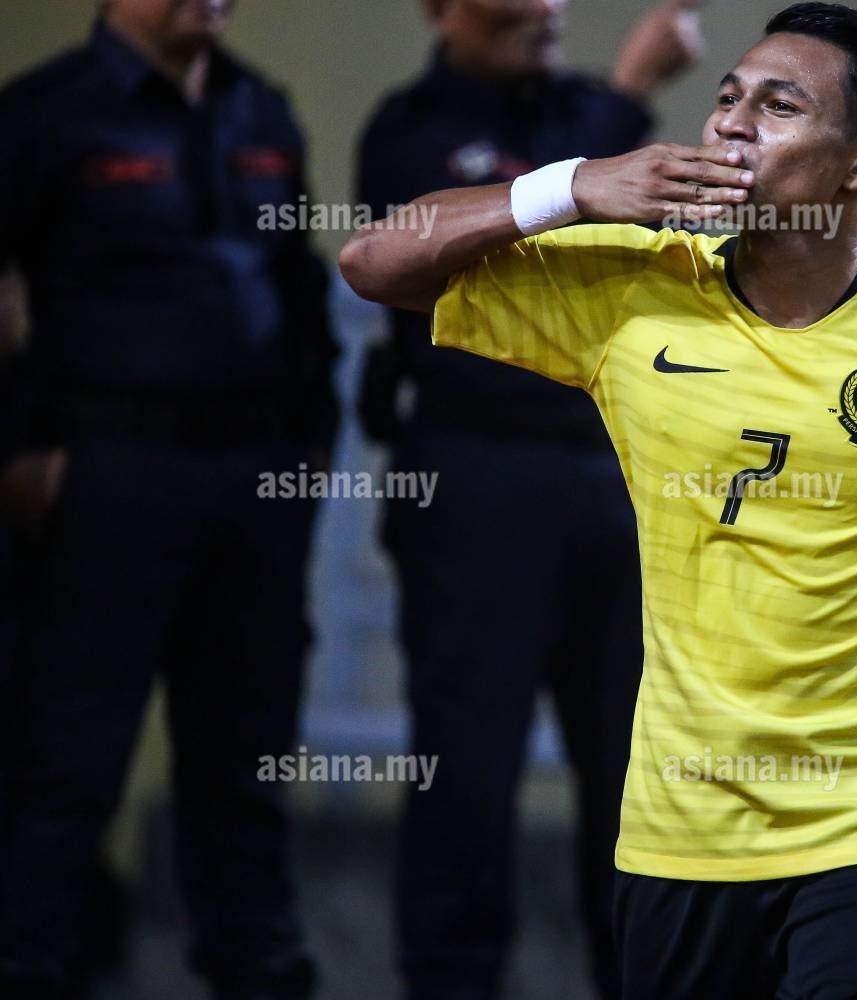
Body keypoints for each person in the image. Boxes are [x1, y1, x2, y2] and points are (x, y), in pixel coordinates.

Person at [341, 3, 857, 997]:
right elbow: (372, 263)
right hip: (682, 824)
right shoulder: (632, 292)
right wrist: (575, 184)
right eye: (727, 97)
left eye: (779, 107)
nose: (731, 123)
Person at [354, 1, 701, 997]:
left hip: (615, 475)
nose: (544, 9)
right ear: (441, 10)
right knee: (465, 771)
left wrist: (620, 110)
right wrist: (630, 100)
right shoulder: (410, 129)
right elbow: (475, 244)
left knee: (637, 779)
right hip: (475, 474)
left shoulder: (591, 109)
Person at [0, 0, 336, 995]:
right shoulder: (45, 113)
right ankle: (28, 964)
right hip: (109, 474)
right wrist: (18, 446)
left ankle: (256, 970)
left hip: (255, 480)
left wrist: (314, 436)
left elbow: (298, 284)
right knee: (67, 762)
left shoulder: (260, 110)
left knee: (248, 761)